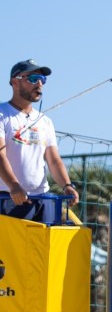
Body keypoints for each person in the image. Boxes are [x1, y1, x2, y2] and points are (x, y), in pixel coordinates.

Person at [0, 59, 79, 219]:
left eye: (42, 79)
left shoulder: (45, 121)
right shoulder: (3, 114)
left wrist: (67, 185)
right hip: (10, 197)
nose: (39, 84)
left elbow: (53, 160)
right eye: (33, 78)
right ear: (15, 82)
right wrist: (14, 186)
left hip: (42, 198)